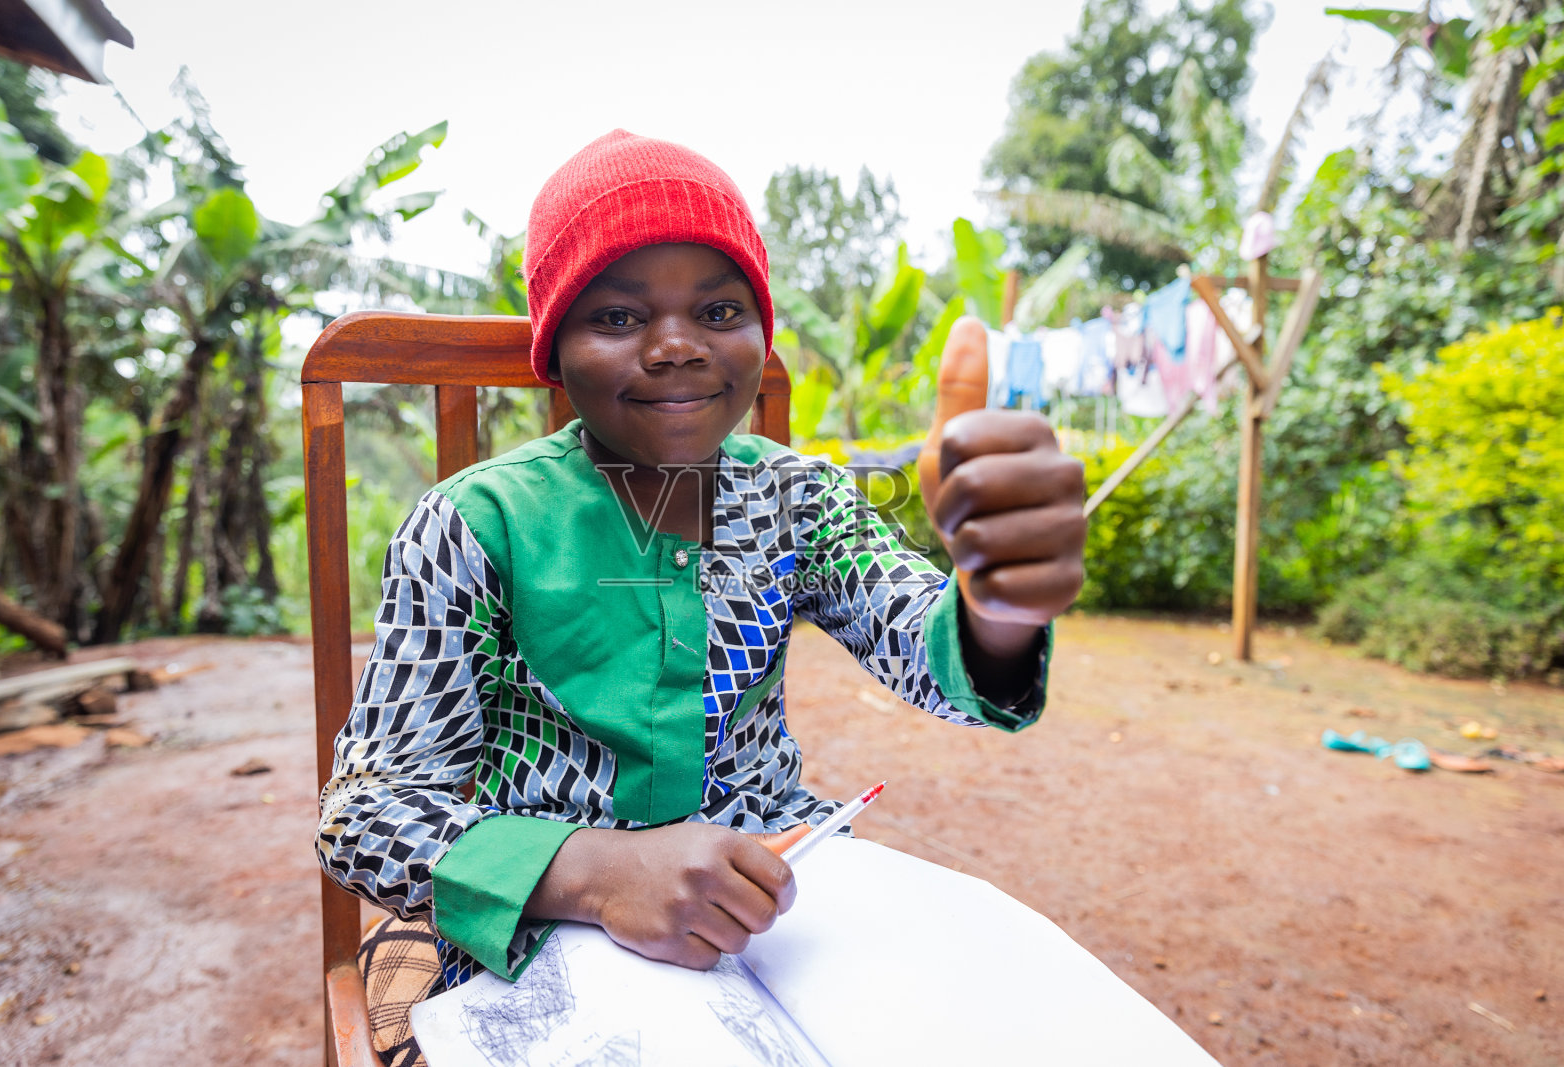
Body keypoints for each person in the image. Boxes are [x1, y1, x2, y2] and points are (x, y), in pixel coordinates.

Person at [316, 130, 1087, 992]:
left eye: (719, 312)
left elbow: (921, 643)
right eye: (617, 316)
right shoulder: (472, 523)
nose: (676, 345)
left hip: (779, 898)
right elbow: (365, 817)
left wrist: (999, 608)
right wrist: (593, 873)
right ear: (555, 353)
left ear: (760, 334)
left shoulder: (803, 499)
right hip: (553, 934)